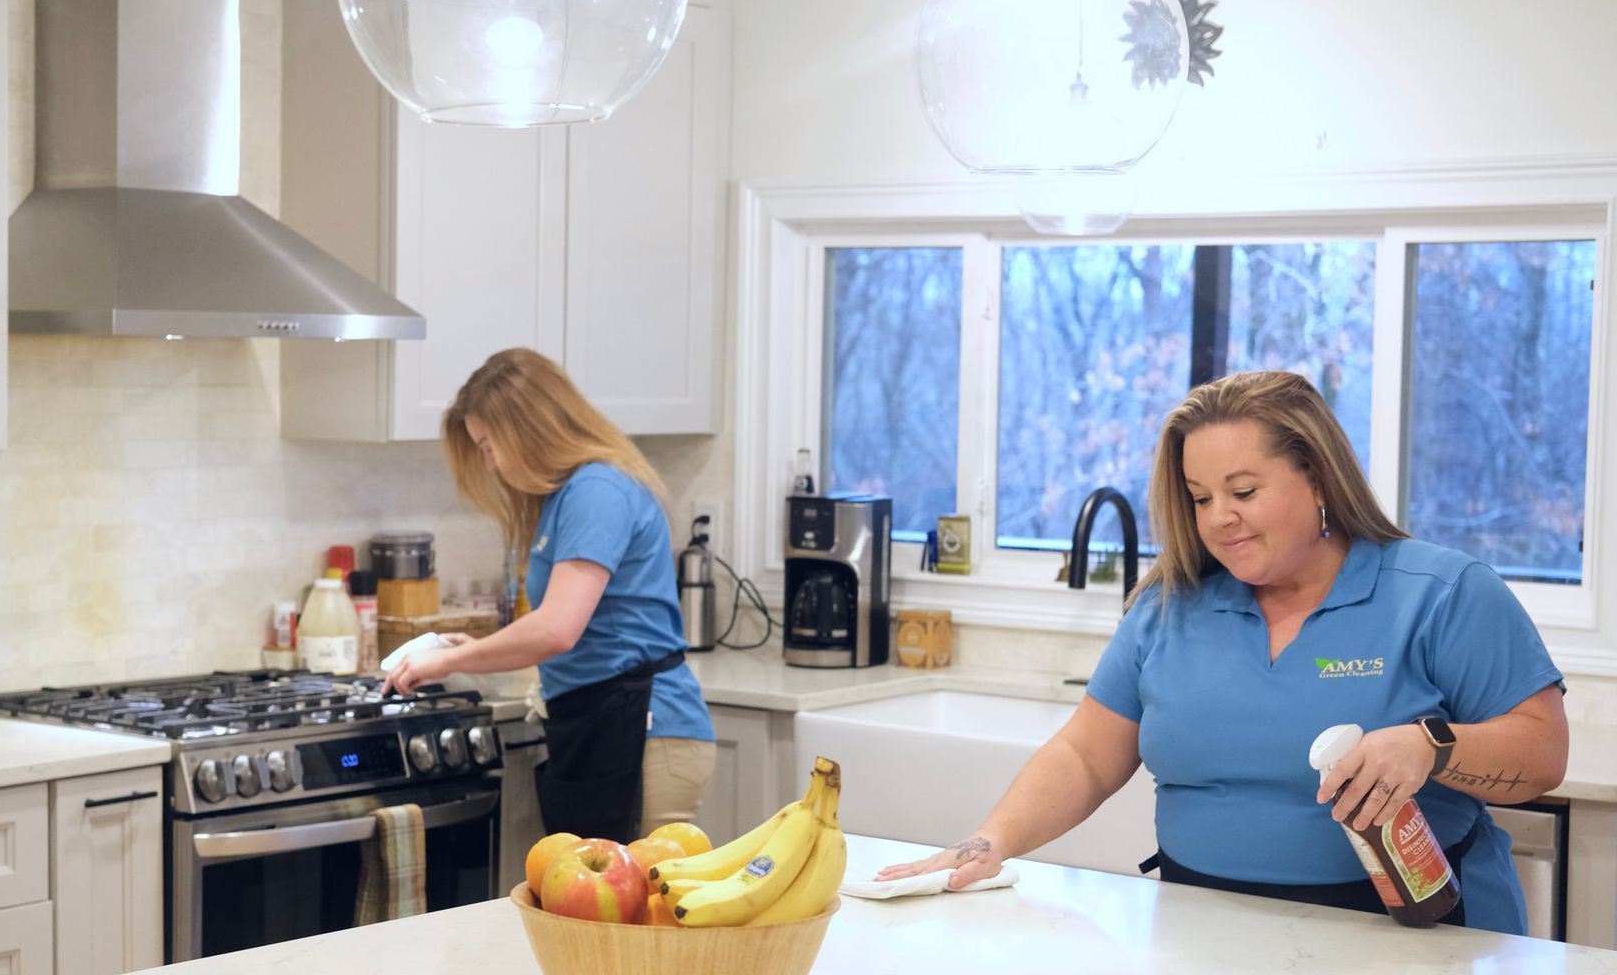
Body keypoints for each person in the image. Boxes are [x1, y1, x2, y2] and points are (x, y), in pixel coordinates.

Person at [875, 371, 1568, 934]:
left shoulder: (1441, 593)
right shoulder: (1169, 606)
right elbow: (1086, 757)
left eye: (1243, 492)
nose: (1218, 518)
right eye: (1200, 498)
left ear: (1318, 478)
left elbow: (1543, 754)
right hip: (1203, 934)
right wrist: (991, 841)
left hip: (1411, 934)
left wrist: (1430, 745)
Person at [384, 348, 717, 844]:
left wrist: (450, 661)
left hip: (647, 730)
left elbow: (557, 629)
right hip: (604, 724)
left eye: (489, 446)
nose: (489, 465)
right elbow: (569, 624)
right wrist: (475, 649)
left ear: (527, 431)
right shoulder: (569, 494)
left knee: (635, 894)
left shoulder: (597, 489)